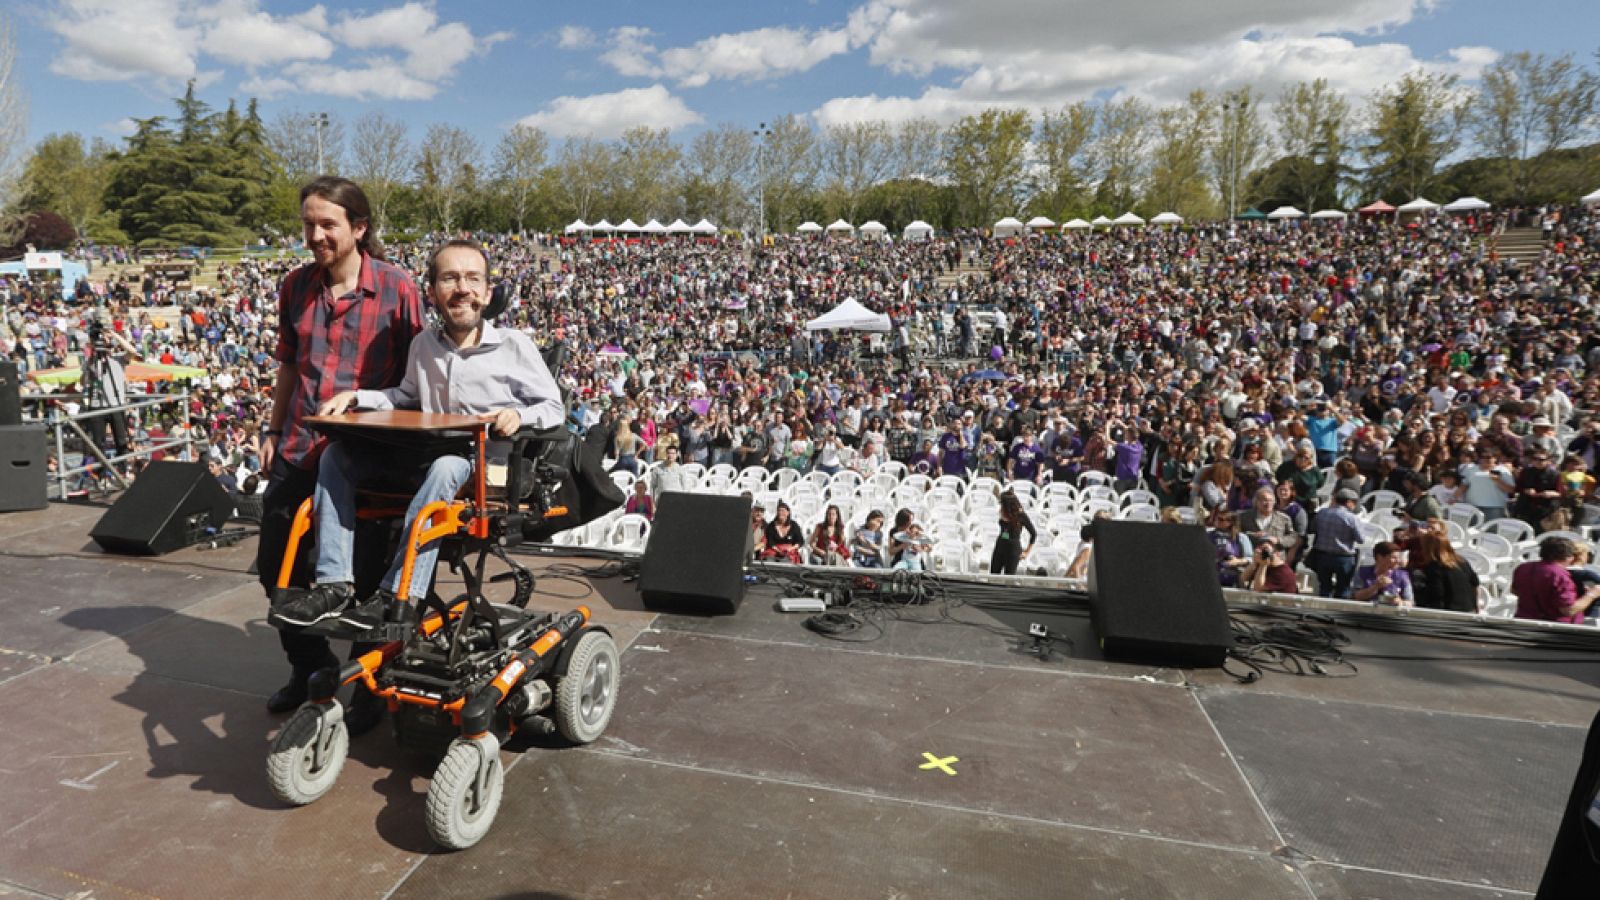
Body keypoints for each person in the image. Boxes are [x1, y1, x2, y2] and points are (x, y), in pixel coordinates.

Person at [271, 238, 564, 635]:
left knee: (447, 466)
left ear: (488, 292)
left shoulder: (514, 346)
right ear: (432, 292)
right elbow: (405, 396)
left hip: (482, 469)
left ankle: (398, 593)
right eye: (450, 278)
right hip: (423, 457)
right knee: (335, 457)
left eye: (473, 279)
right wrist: (357, 397)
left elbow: (553, 409)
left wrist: (518, 413)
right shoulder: (423, 344)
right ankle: (334, 584)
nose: (462, 288)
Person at [256, 177, 425, 716]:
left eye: (327, 224)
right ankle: (310, 669)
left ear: (359, 227)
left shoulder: (398, 289)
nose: (315, 235)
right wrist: (271, 428)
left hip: (369, 457)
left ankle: (368, 688)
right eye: (308, 223)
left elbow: (417, 377)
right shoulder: (294, 286)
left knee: (370, 577)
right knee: (274, 566)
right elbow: (287, 364)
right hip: (301, 447)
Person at [1512, 537, 1600, 623]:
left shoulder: (1523, 568)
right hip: (1557, 629)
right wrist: (1592, 594)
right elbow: (1569, 610)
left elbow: (1514, 591)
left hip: (1523, 622)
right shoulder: (1559, 574)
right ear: (1569, 557)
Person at [1305, 488, 1364, 599]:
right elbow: (1361, 539)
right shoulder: (1351, 518)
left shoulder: (1322, 513)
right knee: (1343, 589)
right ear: (1349, 502)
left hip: (1322, 556)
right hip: (1343, 558)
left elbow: (1312, 529)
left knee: (1324, 587)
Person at [1407, 532, 1479, 614]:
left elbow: (1437, 596)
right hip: (1469, 610)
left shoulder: (1434, 568)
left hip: (1448, 614)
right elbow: (1475, 585)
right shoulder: (1462, 561)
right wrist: (1476, 607)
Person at [989, 490, 1037, 575]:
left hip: (1012, 549)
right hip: (1000, 545)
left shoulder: (1021, 515)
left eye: (1002, 503)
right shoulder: (1002, 511)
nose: (1000, 505)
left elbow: (1033, 533)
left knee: (1009, 579)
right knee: (993, 574)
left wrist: (1027, 551)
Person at [1352, 541, 1413, 607]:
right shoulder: (1363, 572)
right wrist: (1375, 587)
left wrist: (1400, 602)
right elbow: (1356, 596)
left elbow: (1410, 602)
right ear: (1379, 557)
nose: (1398, 561)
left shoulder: (1402, 576)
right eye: (1394, 558)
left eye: (1398, 558)